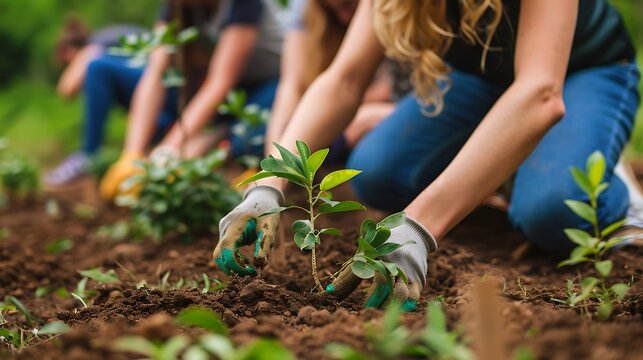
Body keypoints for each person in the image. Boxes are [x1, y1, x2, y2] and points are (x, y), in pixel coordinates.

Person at [213, 0, 640, 310]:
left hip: (580, 71)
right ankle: (512, 160)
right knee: (379, 172)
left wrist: (417, 227)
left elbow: (540, 93)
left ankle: (608, 178)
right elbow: (343, 80)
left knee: (553, 212)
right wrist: (269, 184)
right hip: (482, 78)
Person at [99, 0, 287, 201]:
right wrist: (132, 154)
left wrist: (168, 150)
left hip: (273, 85)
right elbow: (155, 75)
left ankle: (257, 170)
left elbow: (220, 82)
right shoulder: (179, 6)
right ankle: (218, 141)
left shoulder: (244, 4)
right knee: (193, 149)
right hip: (233, 93)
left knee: (245, 142)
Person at [265, 0, 404, 160]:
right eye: (333, 11)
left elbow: (369, 87)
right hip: (342, 101)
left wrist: (330, 113)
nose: (344, 18)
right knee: (264, 135)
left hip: (389, 104)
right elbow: (290, 86)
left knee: (364, 157)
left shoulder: (382, 9)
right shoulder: (304, 8)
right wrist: (273, 160)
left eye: (348, 5)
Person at [45, 17, 149, 187]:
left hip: (168, 84)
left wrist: (78, 68)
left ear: (68, 51)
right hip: (171, 102)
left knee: (96, 69)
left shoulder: (94, 47)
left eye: (67, 63)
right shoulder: (112, 48)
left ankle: (88, 154)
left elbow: (66, 90)